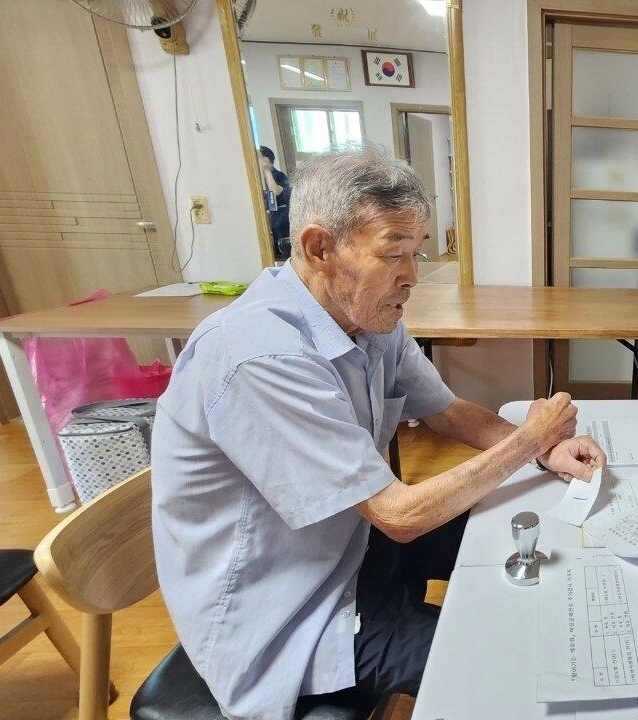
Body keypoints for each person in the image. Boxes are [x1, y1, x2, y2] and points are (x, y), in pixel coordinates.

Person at [152, 147, 606, 720]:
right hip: (286, 613)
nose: (411, 277)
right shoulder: (259, 355)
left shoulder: (366, 313)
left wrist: (546, 447)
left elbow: (445, 410)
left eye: (415, 253)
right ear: (320, 248)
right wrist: (526, 440)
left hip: (352, 548)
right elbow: (399, 514)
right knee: (510, 655)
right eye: (393, 253)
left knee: (533, 533)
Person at [259, 145, 291, 259]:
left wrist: (267, 170)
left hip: (281, 221)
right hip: (271, 220)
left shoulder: (279, 176)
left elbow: (275, 191)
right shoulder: (258, 178)